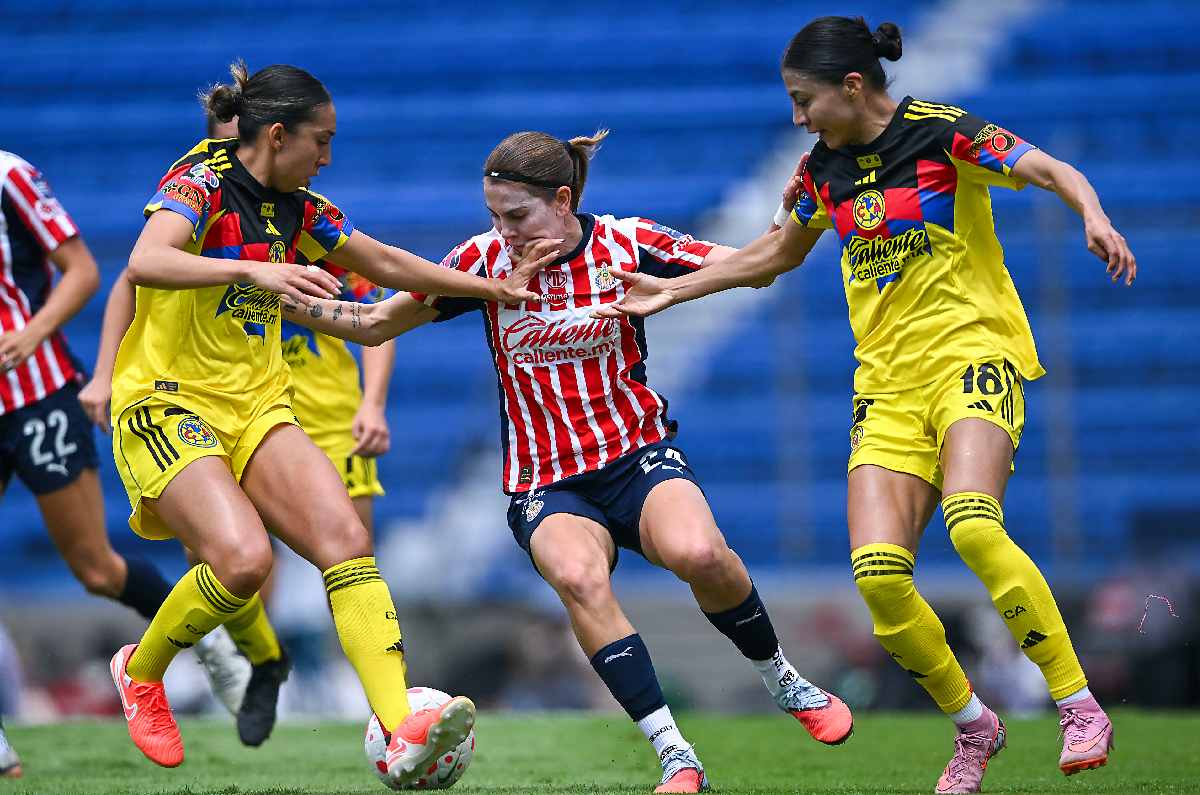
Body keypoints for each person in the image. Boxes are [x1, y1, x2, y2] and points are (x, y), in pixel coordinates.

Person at [594, 16, 1136, 795]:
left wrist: (1093, 212)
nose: (797, 118)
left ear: (853, 85)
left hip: (970, 358)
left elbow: (1049, 168)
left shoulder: (942, 135)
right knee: (880, 577)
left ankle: (1078, 703)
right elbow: (773, 256)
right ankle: (974, 726)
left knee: (974, 523)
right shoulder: (821, 174)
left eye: (802, 99)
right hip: (885, 389)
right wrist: (672, 289)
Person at [286, 128, 855, 794]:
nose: (505, 231)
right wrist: (271, 291)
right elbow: (375, 321)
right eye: (494, 215)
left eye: (517, 216)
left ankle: (784, 680)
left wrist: (787, 219)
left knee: (702, 555)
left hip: (636, 455)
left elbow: (755, 266)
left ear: (562, 201)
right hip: (546, 481)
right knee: (580, 578)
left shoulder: (625, 243)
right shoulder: (480, 263)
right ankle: (676, 755)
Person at [106, 61, 546, 785]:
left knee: (346, 540)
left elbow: (380, 260)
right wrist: (251, 273)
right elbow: (146, 260)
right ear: (277, 136)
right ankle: (142, 670)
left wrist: (488, 286)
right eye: (322, 140)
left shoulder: (301, 207)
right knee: (244, 562)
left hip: (256, 405)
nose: (328, 156)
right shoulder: (201, 176)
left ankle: (400, 721)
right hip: (168, 399)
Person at [0, 150, 250, 718]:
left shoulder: (9, 176)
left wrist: (32, 334)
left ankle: (206, 641)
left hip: (37, 395)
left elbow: (83, 270)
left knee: (95, 567)